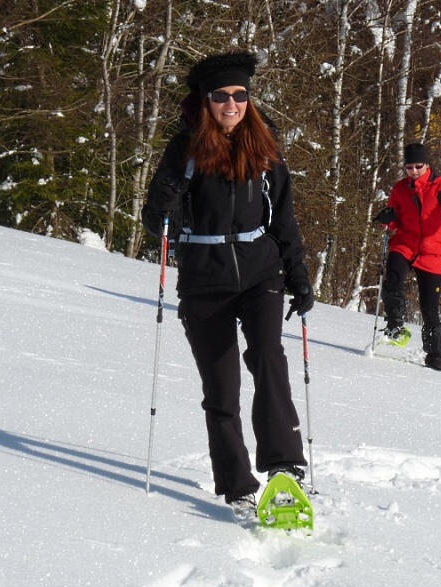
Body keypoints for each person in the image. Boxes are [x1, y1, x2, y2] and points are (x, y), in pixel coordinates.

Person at [141, 51, 314, 517]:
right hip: (204, 279)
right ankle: (237, 485)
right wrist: (168, 196)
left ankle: (284, 465)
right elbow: (155, 223)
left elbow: (285, 217)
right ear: (205, 100)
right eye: (221, 96)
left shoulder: (265, 147)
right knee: (221, 387)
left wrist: (298, 276)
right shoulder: (185, 149)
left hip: (261, 272)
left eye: (240, 95)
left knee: (267, 355)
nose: (232, 104)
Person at [373, 143, 441, 372]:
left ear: (427, 164)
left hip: (432, 252)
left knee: (430, 309)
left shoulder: (440, 186)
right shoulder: (399, 189)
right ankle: (396, 327)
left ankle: (435, 357)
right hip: (405, 244)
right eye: (409, 167)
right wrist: (387, 217)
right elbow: (393, 221)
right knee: (393, 280)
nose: (414, 171)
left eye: (418, 166)